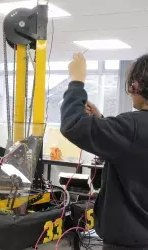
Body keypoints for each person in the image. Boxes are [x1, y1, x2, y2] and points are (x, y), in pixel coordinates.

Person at [60, 53, 148, 249]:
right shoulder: (134, 130)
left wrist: (76, 81)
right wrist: (101, 121)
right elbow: (133, 151)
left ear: (138, 85)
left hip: (129, 242)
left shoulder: (132, 126)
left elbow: (72, 124)